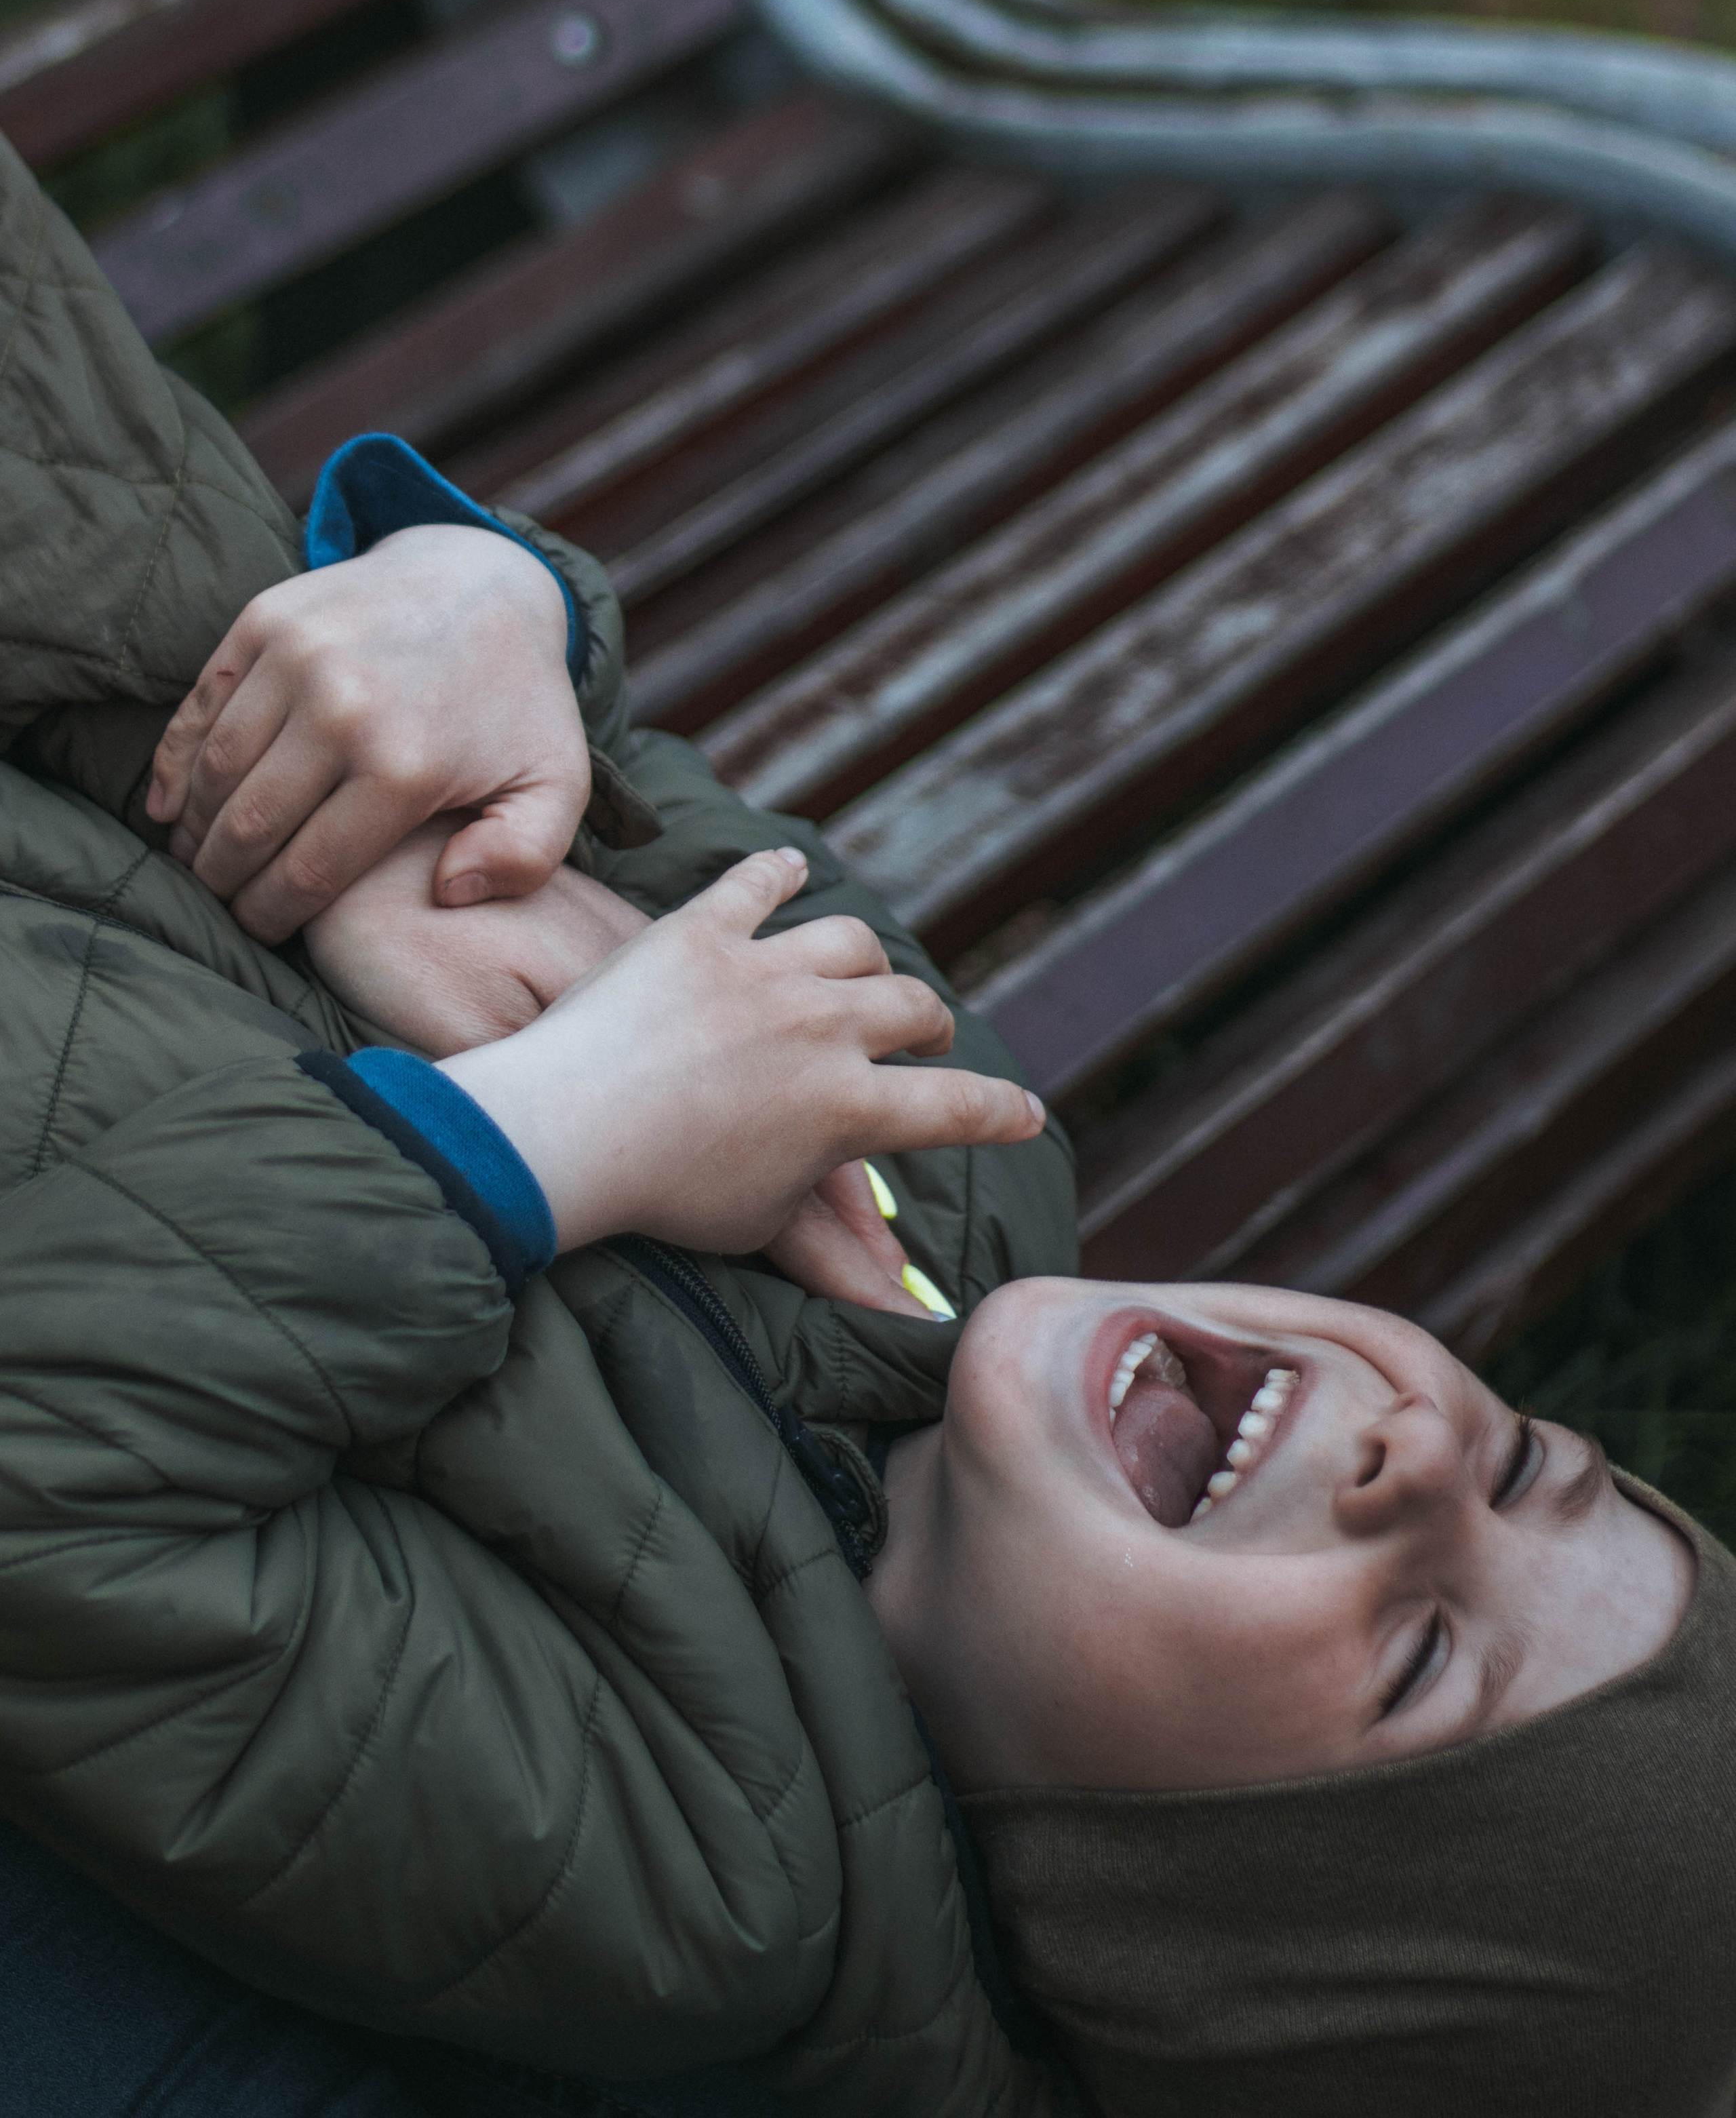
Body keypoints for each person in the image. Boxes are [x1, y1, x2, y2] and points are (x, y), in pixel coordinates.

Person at [3, 125, 1735, 2118]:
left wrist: (545, 1131)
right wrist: (482, 616)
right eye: (1522, 1467)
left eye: (1425, 1661)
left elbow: (48, 1477)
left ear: (1165, 1903)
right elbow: (611, 778)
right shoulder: (968, 1167)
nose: (1413, 1459)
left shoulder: (698, 1869)